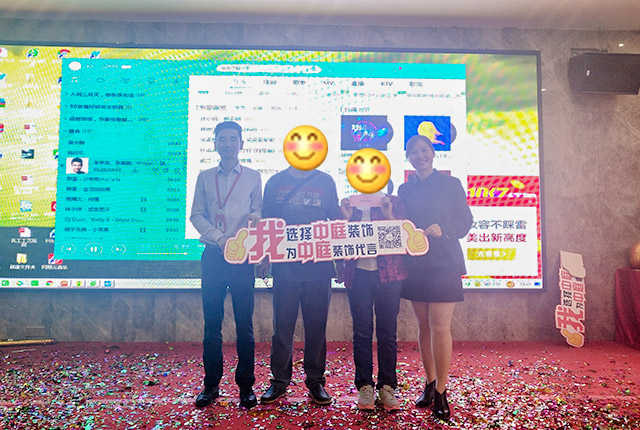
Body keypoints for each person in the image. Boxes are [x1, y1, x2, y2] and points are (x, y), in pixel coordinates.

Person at [398, 135, 473, 421]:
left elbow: (465, 221)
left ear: (432, 152)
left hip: (445, 263)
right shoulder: (405, 189)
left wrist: (445, 228)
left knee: (440, 326)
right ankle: (429, 383)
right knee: (423, 326)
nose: (420, 155)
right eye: (413, 152)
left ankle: (441, 390)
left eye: (424, 150)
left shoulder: (450, 184)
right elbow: (401, 224)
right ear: (408, 158)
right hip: (416, 264)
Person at [190, 121, 262, 409]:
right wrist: (220, 239)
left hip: (242, 259)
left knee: (245, 325)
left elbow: (259, 210)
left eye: (233, 139)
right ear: (215, 144)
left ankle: (246, 386)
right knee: (212, 324)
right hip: (214, 256)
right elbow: (196, 215)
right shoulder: (205, 177)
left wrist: (256, 219)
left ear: (241, 143)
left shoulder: (254, 177)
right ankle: (211, 385)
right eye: (223, 139)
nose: (228, 144)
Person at [258, 165, 340, 405]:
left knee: (317, 327)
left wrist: (342, 260)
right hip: (284, 268)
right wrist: (264, 256)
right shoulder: (275, 181)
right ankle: (279, 381)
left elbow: (335, 221)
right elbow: (266, 222)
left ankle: (315, 381)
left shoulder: (326, 181)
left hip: (319, 267)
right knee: (282, 327)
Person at [338, 192, 408, 411]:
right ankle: (365, 386)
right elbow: (337, 242)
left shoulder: (393, 201)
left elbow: (404, 239)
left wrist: (389, 216)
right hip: (357, 276)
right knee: (362, 333)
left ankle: (387, 386)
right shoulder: (349, 203)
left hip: (390, 276)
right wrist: (345, 219)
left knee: (387, 333)